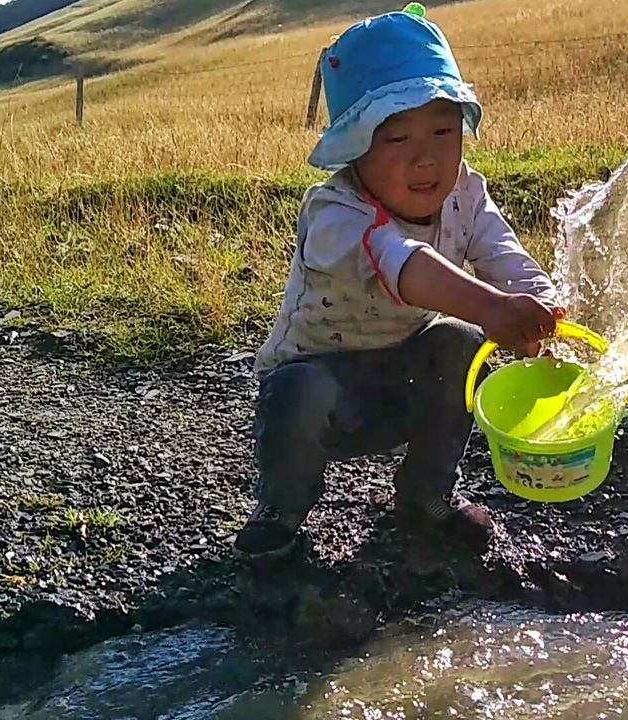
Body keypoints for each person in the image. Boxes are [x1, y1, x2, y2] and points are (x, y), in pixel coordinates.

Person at [235, 3, 562, 558]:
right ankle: (282, 508)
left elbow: (502, 252)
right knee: (299, 393)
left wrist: (543, 309)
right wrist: (492, 308)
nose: (425, 159)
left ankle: (426, 495)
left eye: (442, 130)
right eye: (396, 139)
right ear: (355, 148)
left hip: (408, 377)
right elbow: (402, 262)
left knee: (459, 341)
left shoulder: (466, 193)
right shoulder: (335, 213)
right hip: (324, 387)